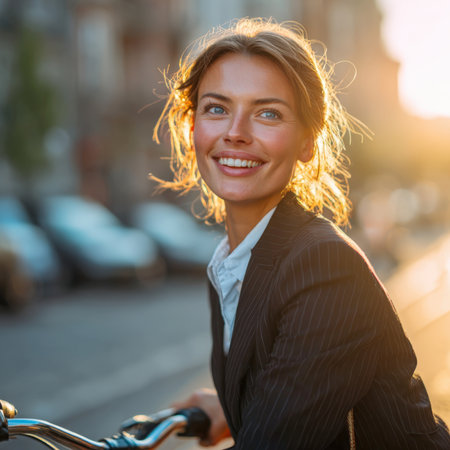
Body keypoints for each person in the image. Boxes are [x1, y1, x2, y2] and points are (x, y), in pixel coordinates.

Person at [152, 18, 450, 449]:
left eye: (267, 113)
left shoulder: (325, 267)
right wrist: (232, 404)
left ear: (307, 142)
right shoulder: (232, 264)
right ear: (192, 127)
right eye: (216, 108)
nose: (235, 132)